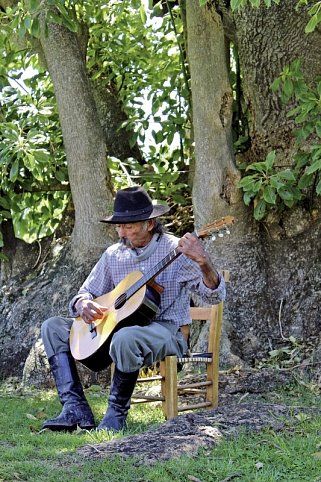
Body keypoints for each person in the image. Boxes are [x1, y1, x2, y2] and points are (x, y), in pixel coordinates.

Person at [41, 185, 226, 432]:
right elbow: (83, 293)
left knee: (125, 337)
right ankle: (75, 409)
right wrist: (83, 303)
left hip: (167, 331)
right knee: (53, 327)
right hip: (117, 331)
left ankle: (115, 415)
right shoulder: (113, 255)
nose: (121, 232)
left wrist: (203, 261)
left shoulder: (177, 251)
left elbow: (216, 295)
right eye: (119, 226)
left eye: (128, 226)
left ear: (149, 224)